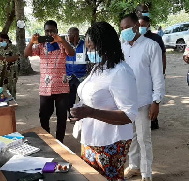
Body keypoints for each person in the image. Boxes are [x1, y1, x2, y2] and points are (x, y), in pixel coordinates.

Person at [70, 21, 138, 181]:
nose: (89, 52)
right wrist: (80, 111)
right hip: (91, 138)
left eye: (92, 48)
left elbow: (129, 115)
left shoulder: (121, 72)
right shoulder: (98, 67)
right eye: (88, 48)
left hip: (111, 143)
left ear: (105, 45)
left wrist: (90, 112)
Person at [120, 13, 165, 181]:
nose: (124, 31)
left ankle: (146, 174)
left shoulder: (151, 46)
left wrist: (156, 101)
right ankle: (134, 166)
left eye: (127, 27)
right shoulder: (123, 46)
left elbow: (158, 77)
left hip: (144, 102)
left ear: (137, 26)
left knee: (144, 139)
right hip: (126, 103)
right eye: (122, 28)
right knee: (130, 137)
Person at [24, 20, 75, 143]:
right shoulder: (41, 46)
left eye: (52, 30)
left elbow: (72, 53)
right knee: (44, 116)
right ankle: (47, 140)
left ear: (56, 31)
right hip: (45, 88)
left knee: (61, 117)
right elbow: (26, 53)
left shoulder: (62, 44)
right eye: (47, 31)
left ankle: (59, 141)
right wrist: (32, 42)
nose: (50, 33)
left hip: (62, 87)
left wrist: (61, 40)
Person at [139, 16, 167, 130]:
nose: (140, 28)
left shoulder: (156, 39)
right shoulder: (135, 40)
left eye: (142, 25)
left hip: (154, 73)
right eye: (139, 25)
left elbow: (163, 55)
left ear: (148, 25)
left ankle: (153, 121)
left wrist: (162, 71)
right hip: (143, 77)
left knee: (153, 98)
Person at [65, 27, 88, 123]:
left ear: (75, 36)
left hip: (81, 77)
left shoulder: (84, 45)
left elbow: (89, 60)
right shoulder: (66, 45)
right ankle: (71, 116)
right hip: (70, 76)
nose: (67, 36)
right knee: (69, 99)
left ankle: (82, 116)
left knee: (83, 98)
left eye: (69, 34)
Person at [0, 33, 20, 99]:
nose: (0, 43)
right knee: (1, 86)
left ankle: (12, 103)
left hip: (12, 71)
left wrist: (4, 59)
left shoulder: (13, 47)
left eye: (1, 41)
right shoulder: (0, 49)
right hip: (2, 70)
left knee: (11, 87)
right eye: (0, 41)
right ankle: (3, 102)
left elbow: (15, 57)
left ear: (6, 40)